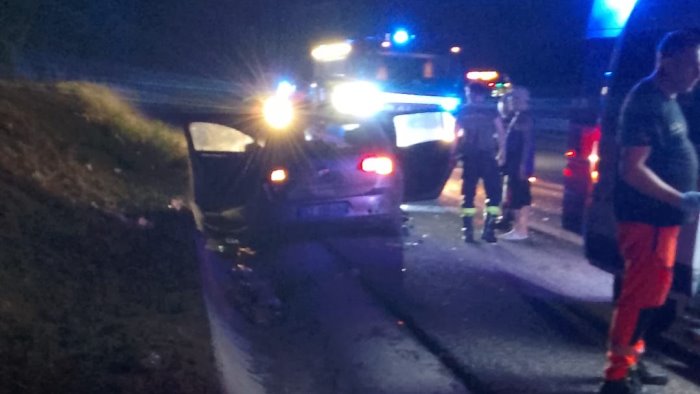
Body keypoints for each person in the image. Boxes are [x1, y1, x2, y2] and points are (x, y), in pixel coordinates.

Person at [599, 30, 700, 394]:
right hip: (648, 219)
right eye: (692, 64)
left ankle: (632, 363)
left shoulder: (668, 100)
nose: (697, 73)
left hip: (662, 222)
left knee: (651, 295)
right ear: (667, 60)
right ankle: (616, 378)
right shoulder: (647, 100)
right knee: (640, 297)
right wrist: (680, 198)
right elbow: (633, 169)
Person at [456, 83, 504, 243]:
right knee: (494, 194)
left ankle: (467, 230)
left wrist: (452, 153)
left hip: (470, 157)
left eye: (468, 92)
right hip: (488, 157)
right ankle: (489, 229)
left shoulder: (463, 111)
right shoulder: (491, 111)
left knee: (468, 194)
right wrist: (502, 152)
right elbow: (500, 132)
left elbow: (455, 134)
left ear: (472, 93)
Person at [499, 86, 534, 241]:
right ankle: (520, 229)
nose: (510, 102)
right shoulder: (518, 116)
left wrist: (523, 165)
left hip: (518, 164)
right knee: (521, 196)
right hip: (517, 163)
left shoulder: (524, 118)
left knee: (518, 196)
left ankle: (520, 230)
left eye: (513, 99)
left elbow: (527, 144)